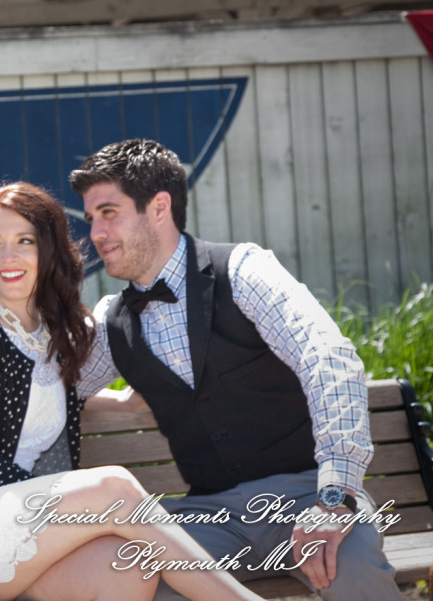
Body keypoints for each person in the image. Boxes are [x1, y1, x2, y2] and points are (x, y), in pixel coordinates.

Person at [0, 182, 266, 601]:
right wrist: (78, 505)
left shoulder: (59, 335)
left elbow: (47, 401)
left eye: (25, 241)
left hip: (7, 535)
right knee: (112, 488)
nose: (9, 257)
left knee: (125, 565)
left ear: (49, 249)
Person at [69, 139, 402, 600]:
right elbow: (52, 394)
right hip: (209, 515)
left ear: (159, 207)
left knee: (349, 568)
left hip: (307, 493)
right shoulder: (112, 322)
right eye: (91, 218)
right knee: (145, 587)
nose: (96, 232)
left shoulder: (244, 270)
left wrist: (334, 497)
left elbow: (328, 360)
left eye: (109, 212)